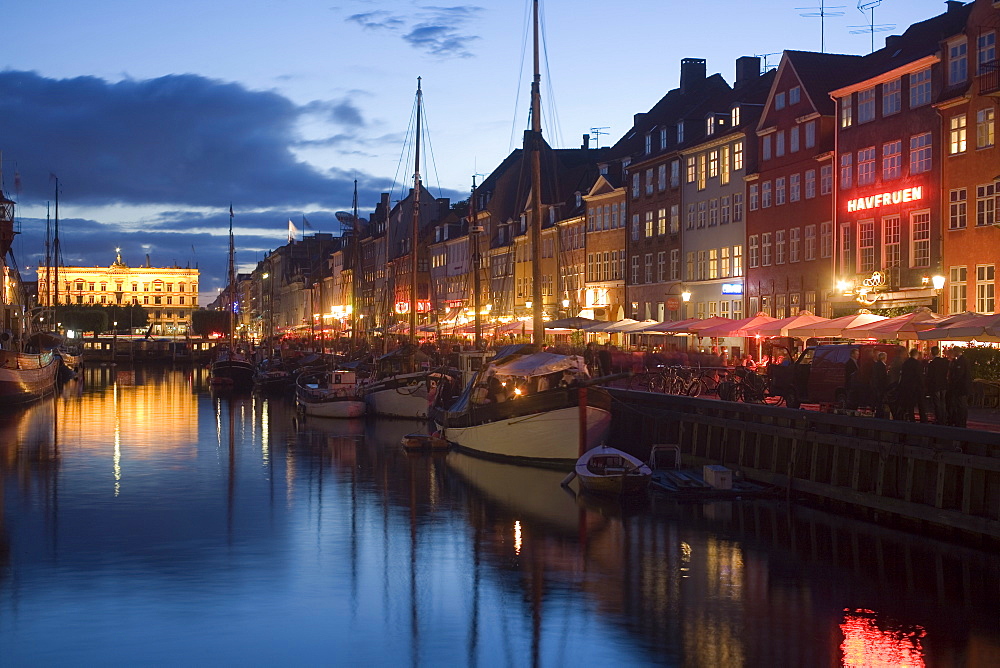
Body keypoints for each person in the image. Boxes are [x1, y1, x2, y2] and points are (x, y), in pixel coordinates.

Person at [897, 348, 927, 422]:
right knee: (921, 404)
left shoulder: (905, 363)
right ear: (916, 355)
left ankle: (911, 419)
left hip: (908, 386)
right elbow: (919, 376)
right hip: (917, 387)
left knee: (910, 405)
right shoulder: (918, 364)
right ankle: (923, 420)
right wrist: (923, 386)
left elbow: (903, 375)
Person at [948, 347, 973, 428]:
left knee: (961, 405)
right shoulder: (963, 360)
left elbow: (959, 374)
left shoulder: (961, 361)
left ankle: (961, 422)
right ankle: (961, 421)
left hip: (961, 387)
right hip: (963, 386)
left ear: (956, 352)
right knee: (961, 405)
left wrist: (952, 381)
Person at [925, 345, 950, 425]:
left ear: (932, 353)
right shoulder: (945, 362)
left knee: (937, 402)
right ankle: (944, 417)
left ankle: (939, 418)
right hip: (943, 384)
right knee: (943, 402)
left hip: (936, 385)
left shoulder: (932, 364)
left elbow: (929, 376)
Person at [870, 351, 890, 419]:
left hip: (875, 386)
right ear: (884, 358)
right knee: (880, 401)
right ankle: (879, 415)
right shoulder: (882, 366)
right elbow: (882, 377)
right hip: (880, 386)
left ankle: (876, 413)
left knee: (877, 401)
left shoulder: (876, 364)